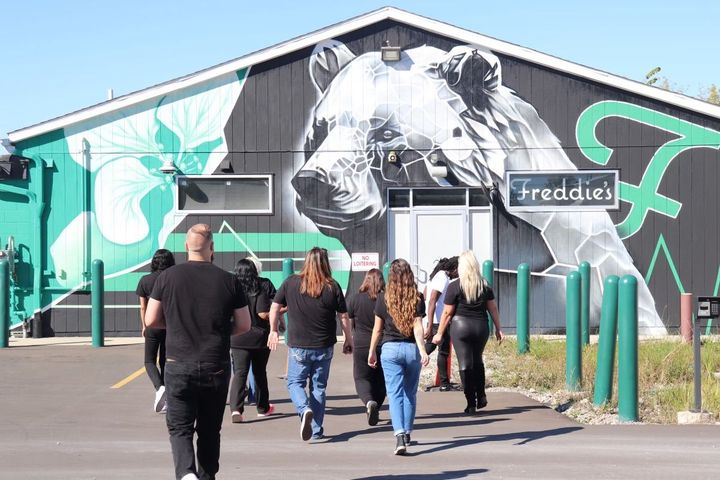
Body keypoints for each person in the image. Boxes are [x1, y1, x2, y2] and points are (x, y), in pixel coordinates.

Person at [145, 224, 251, 480]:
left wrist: (173, 325)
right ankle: (206, 476)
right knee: (210, 430)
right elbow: (244, 325)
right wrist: (221, 331)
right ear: (212, 247)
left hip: (178, 363)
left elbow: (150, 319)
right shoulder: (229, 281)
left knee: (180, 429)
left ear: (185, 247)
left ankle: (185, 472)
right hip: (216, 364)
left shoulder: (167, 278)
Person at [268, 247, 353, 441]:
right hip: (324, 345)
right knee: (319, 387)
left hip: (299, 344)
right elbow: (344, 317)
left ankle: (304, 408)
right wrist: (349, 339)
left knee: (295, 383)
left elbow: (274, 307)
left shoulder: (291, 283)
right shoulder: (333, 286)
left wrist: (273, 330)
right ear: (326, 263)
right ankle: (316, 430)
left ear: (306, 261)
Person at [369, 259, 429, 455]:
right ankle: (408, 432)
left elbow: (377, 330)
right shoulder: (417, 298)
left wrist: (371, 351)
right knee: (410, 393)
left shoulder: (383, 298)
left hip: (390, 350)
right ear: (410, 275)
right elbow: (418, 326)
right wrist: (422, 350)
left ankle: (399, 436)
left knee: (394, 394)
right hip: (411, 349)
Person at [433, 250, 503, 415]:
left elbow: (447, 313)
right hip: (481, 327)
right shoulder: (484, 285)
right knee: (478, 360)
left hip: (461, 326)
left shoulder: (455, 286)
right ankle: (482, 395)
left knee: (465, 364)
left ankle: (471, 403)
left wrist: (439, 333)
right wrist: (499, 328)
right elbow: (492, 308)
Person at [229, 259, 274, 422]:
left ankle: (236, 410)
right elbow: (264, 312)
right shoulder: (262, 286)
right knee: (259, 372)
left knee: (240, 373)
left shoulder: (231, 286)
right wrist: (280, 313)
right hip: (259, 336)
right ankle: (263, 408)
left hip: (237, 336)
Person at [136, 249, 175, 413]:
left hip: (152, 325)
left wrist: (144, 325)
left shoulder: (145, 280)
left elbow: (143, 306)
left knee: (149, 361)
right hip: (169, 324)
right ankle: (167, 393)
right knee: (166, 360)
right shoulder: (173, 278)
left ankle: (159, 388)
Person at [347, 268, 386, 426]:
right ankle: (377, 403)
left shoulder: (355, 299)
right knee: (381, 378)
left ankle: (369, 402)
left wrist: (349, 341)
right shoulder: (385, 299)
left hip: (362, 343)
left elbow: (351, 323)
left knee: (361, 377)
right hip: (382, 342)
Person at [424, 257, 459, 391]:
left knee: (432, 348)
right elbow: (432, 300)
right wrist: (429, 324)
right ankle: (444, 384)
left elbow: (425, 295)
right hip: (439, 321)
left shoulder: (437, 276)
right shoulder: (443, 277)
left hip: (438, 320)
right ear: (454, 268)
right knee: (442, 351)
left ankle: (444, 382)